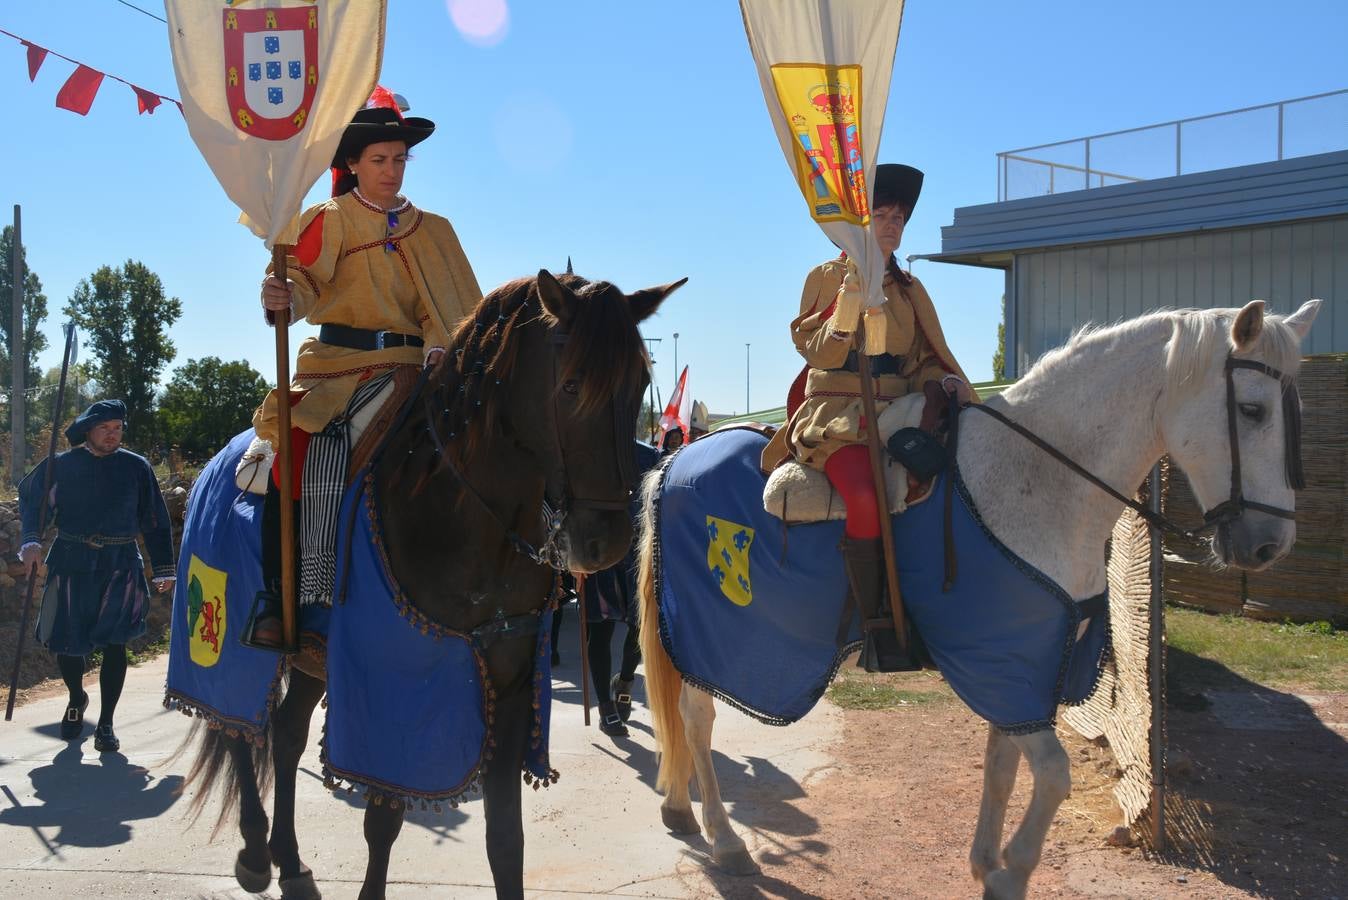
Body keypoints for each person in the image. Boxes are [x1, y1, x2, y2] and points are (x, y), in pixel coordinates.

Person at [246, 87, 483, 650]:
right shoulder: (330, 219)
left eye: (400, 159)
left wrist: (439, 348)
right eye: (379, 159)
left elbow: (454, 310)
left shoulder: (437, 229)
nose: (391, 170)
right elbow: (302, 283)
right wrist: (282, 296)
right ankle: (279, 596)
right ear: (352, 163)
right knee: (298, 450)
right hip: (342, 369)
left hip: (421, 365)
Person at [760, 164, 976, 673]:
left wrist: (942, 382)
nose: (893, 224)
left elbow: (923, 359)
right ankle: (878, 625)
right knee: (864, 493)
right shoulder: (825, 278)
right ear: (860, 222)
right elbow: (817, 352)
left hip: (898, 413)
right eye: (882, 215)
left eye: (899, 217)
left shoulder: (910, 289)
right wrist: (847, 308)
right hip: (838, 418)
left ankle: (936, 602)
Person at [17, 400, 175, 752]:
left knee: (116, 642)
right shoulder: (61, 465)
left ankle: (106, 723)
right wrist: (30, 541)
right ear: (88, 429)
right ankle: (77, 697)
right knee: (67, 641)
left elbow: (154, 519)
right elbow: (33, 501)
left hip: (121, 563)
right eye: (105, 428)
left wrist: (165, 568)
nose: (112, 434)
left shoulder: (136, 467)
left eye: (117, 428)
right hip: (71, 561)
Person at [585, 439, 661, 737]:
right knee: (600, 631)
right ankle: (606, 708)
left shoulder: (649, 456)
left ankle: (625, 681)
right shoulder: (588, 452)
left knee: (640, 628)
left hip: (636, 558)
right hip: (599, 554)